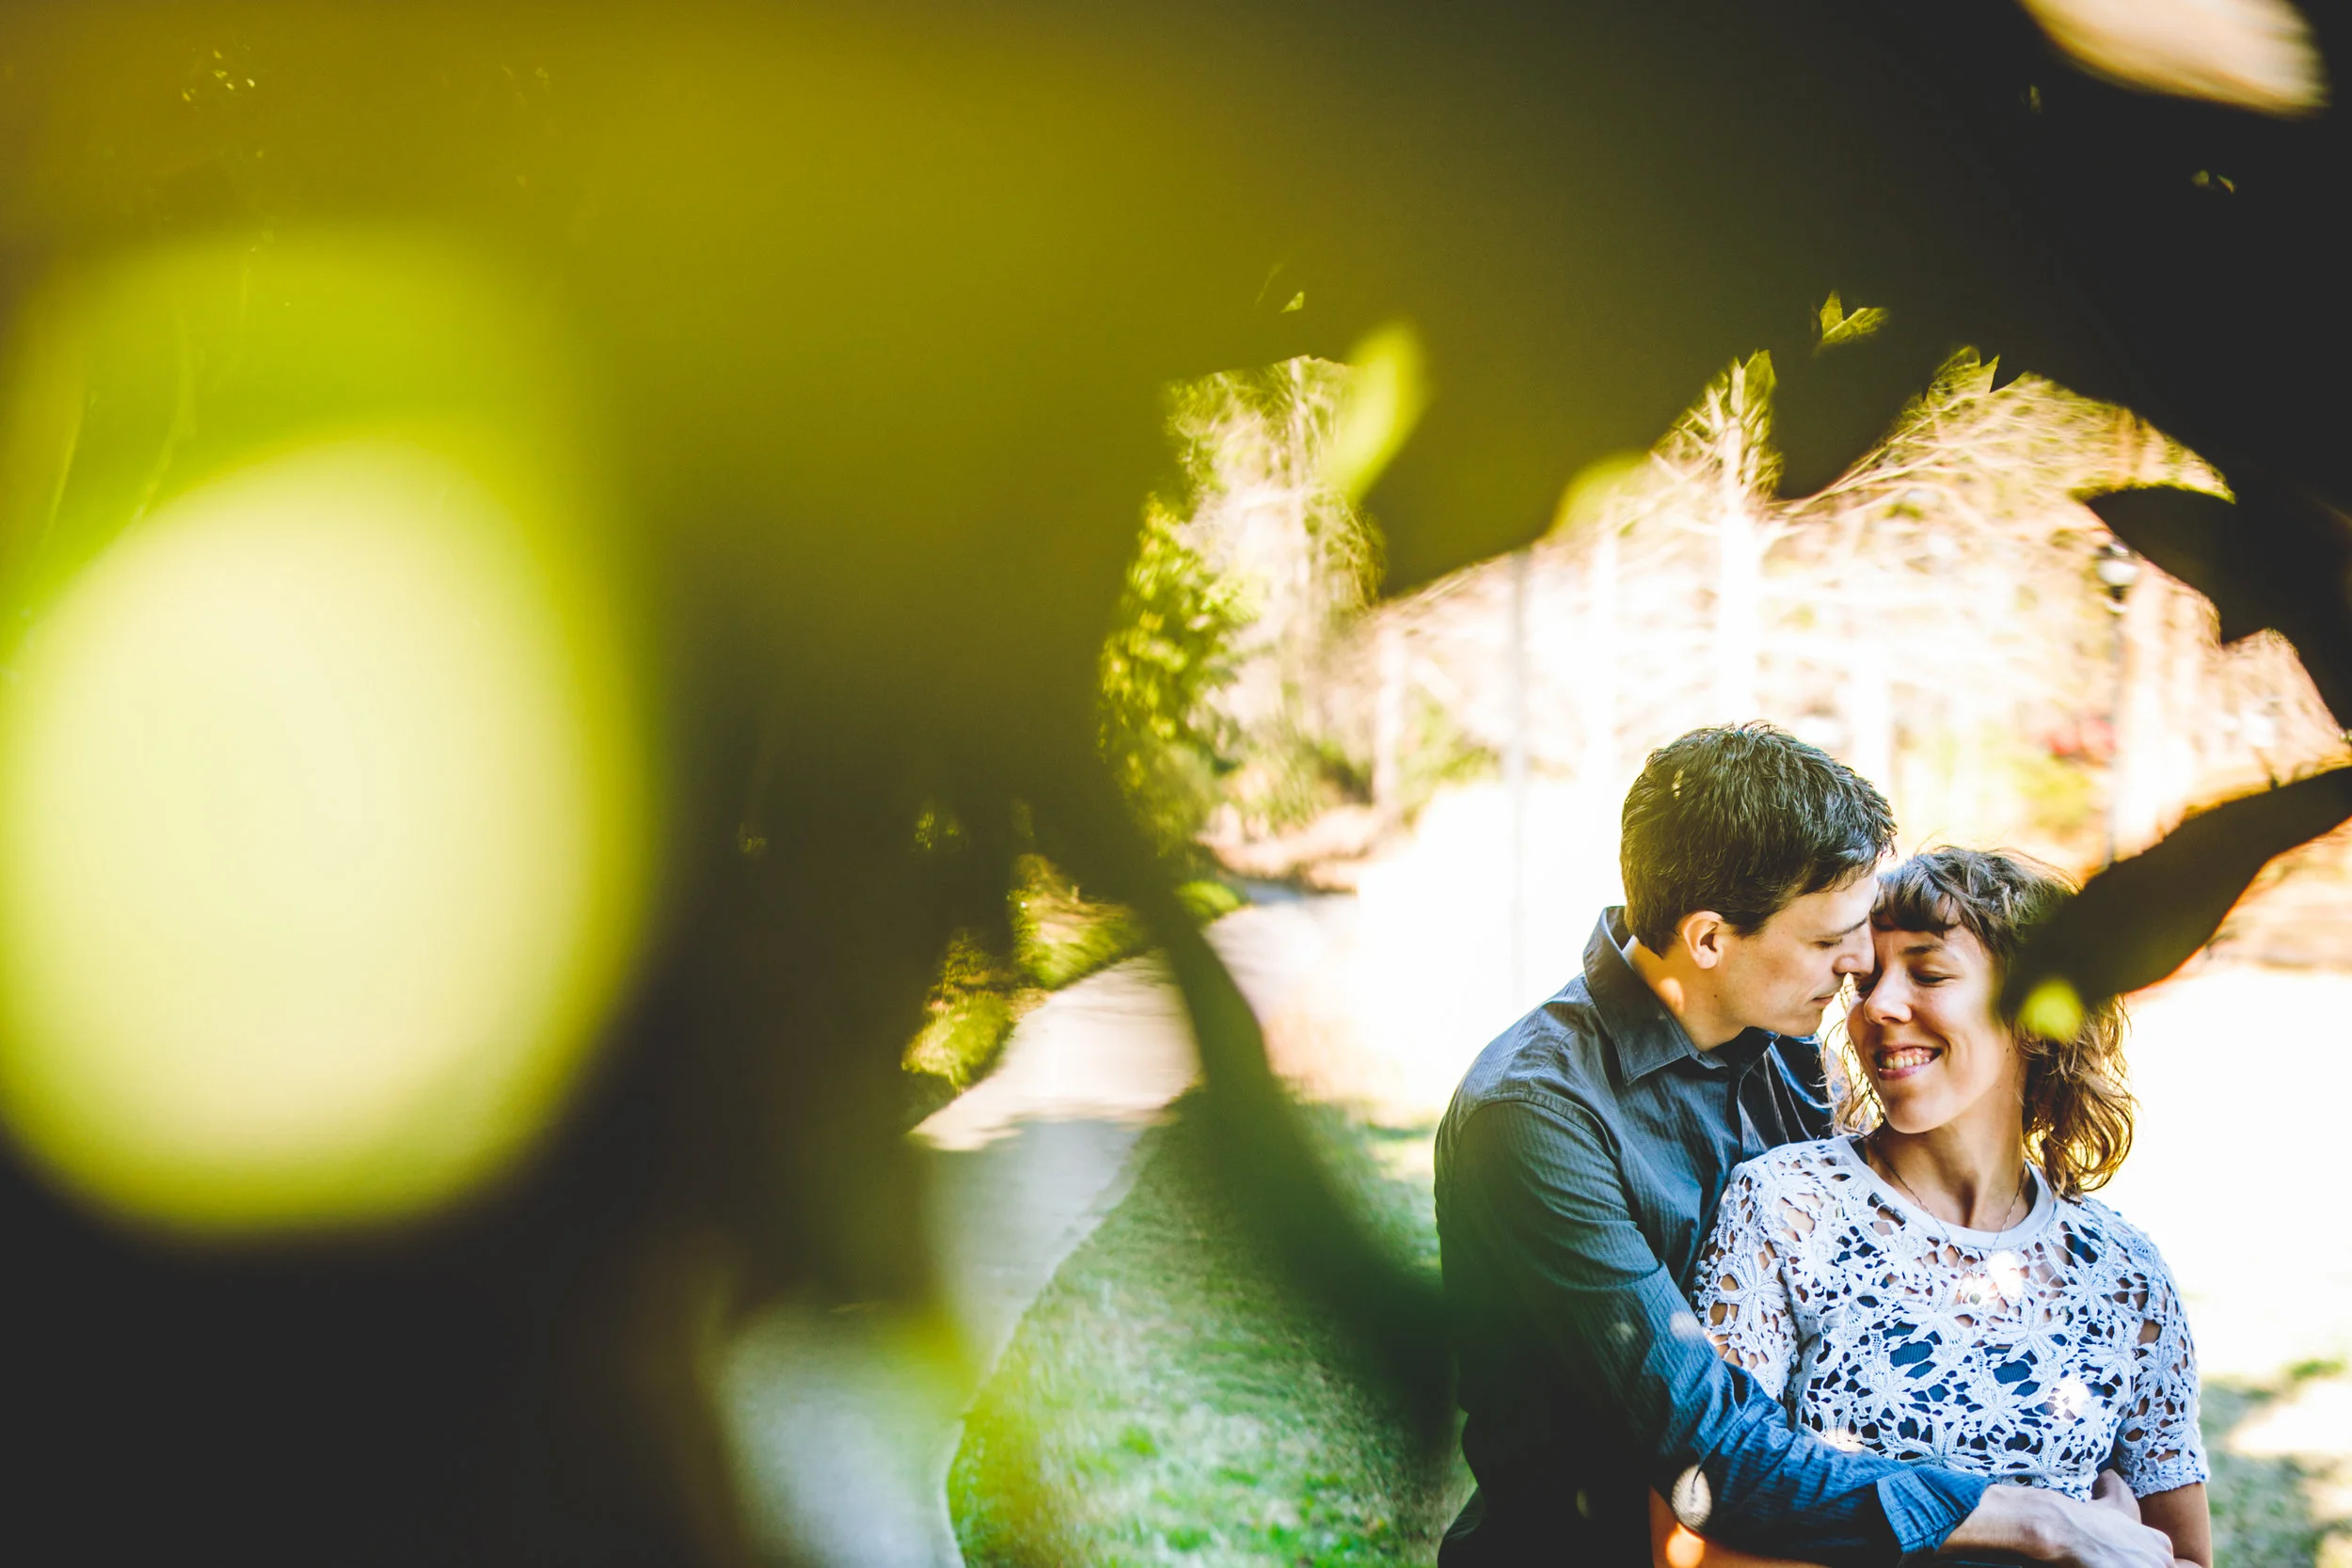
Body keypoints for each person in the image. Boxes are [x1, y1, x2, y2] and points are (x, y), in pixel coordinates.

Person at [1435, 724, 2174, 1568]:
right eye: (1830, 941)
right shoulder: (1536, 1115)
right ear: (1710, 939)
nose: (1860, 964)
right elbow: (1708, 1454)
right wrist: (2034, 1517)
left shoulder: (1788, 1050)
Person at [1674, 848, 2210, 1568]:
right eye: (1865, 980)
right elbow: (1693, 1542)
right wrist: (2043, 1531)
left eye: (1928, 973)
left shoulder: (2126, 1276)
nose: (1878, 1006)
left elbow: (2182, 1556)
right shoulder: (1784, 1210)